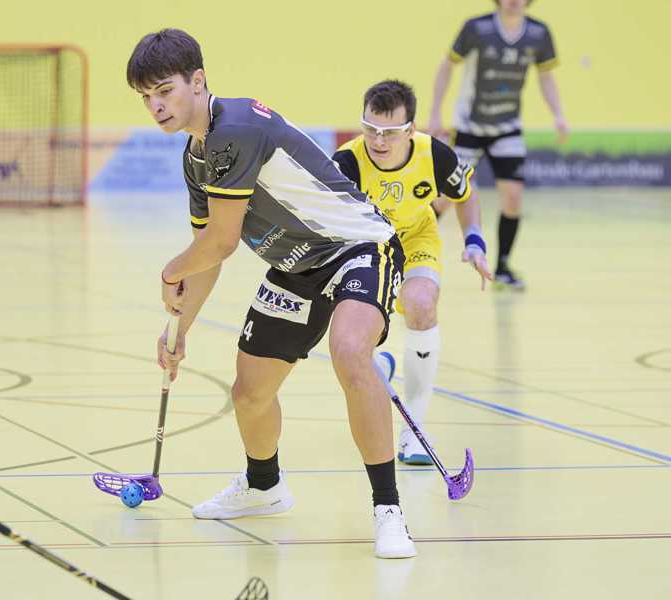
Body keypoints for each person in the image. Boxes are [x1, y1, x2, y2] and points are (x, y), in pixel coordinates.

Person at [128, 29, 415, 558]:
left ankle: (389, 509)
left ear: (197, 81)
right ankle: (264, 486)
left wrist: (170, 273)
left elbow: (221, 239)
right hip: (295, 266)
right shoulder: (194, 158)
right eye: (146, 97)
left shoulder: (234, 128)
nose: (156, 105)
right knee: (249, 392)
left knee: (350, 351)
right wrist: (179, 331)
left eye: (164, 91)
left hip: (356, 246)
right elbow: (209, 255)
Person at [332, 79, 491, 465]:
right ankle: (383, 364)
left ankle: (414, 430)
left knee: (421, 304)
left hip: (417, 238)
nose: (378, 140)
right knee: (359, 343)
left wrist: (474, 241)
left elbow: (465, 196)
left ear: (411, 130)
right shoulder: (345, 163)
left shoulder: (435, 155)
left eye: (389, 132)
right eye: (370, 128)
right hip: (367, 247)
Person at [428, 0, 565, 290]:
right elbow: (446, 66)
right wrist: (436, 112)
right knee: (445, 198)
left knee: (513, 197)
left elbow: (546, 77)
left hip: (508, 127)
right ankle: (409, 252)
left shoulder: (539, 33)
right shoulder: (477, 28)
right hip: (469, 126)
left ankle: (502, 266)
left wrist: (558, 115)